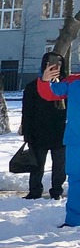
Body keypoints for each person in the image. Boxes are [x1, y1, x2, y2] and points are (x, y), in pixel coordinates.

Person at [37, 58, 80, 226]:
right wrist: (45, 80)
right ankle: (74, 220)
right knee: (76, 181)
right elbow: (50, 93)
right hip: (75, 142)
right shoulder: (74, 81)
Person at [22, 53, 66, 201]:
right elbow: (27, 111)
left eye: (59, 63)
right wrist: (27, 132)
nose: (55, 66)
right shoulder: (32, 86)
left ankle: (56, 192)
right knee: (37, 165)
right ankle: (34, 191)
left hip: (61, 132)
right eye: (51, 63)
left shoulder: (66, 85)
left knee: (59, 166)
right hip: (38, 132)